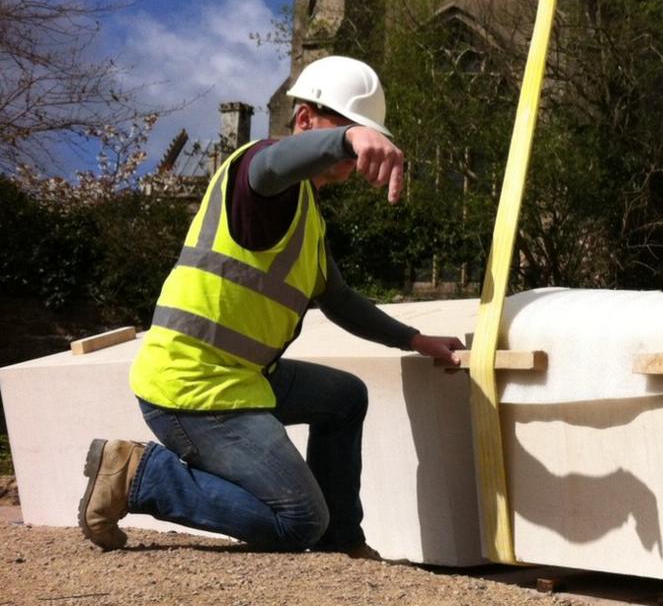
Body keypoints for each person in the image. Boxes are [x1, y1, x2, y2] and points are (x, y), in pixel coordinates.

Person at [78, 55, 464, 559]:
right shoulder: (260, 179)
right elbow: (274, 162)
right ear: (304, 120)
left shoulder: (308, 215)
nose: (355, 148)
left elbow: (341, 299)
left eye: (363, 134)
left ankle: (341, 541)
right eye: (347, 130)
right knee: (299, 519)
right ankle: (139, 474)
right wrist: (348, 139)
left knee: (344, 398)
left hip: (239, 376)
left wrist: (414, 340)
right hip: (190, 388)